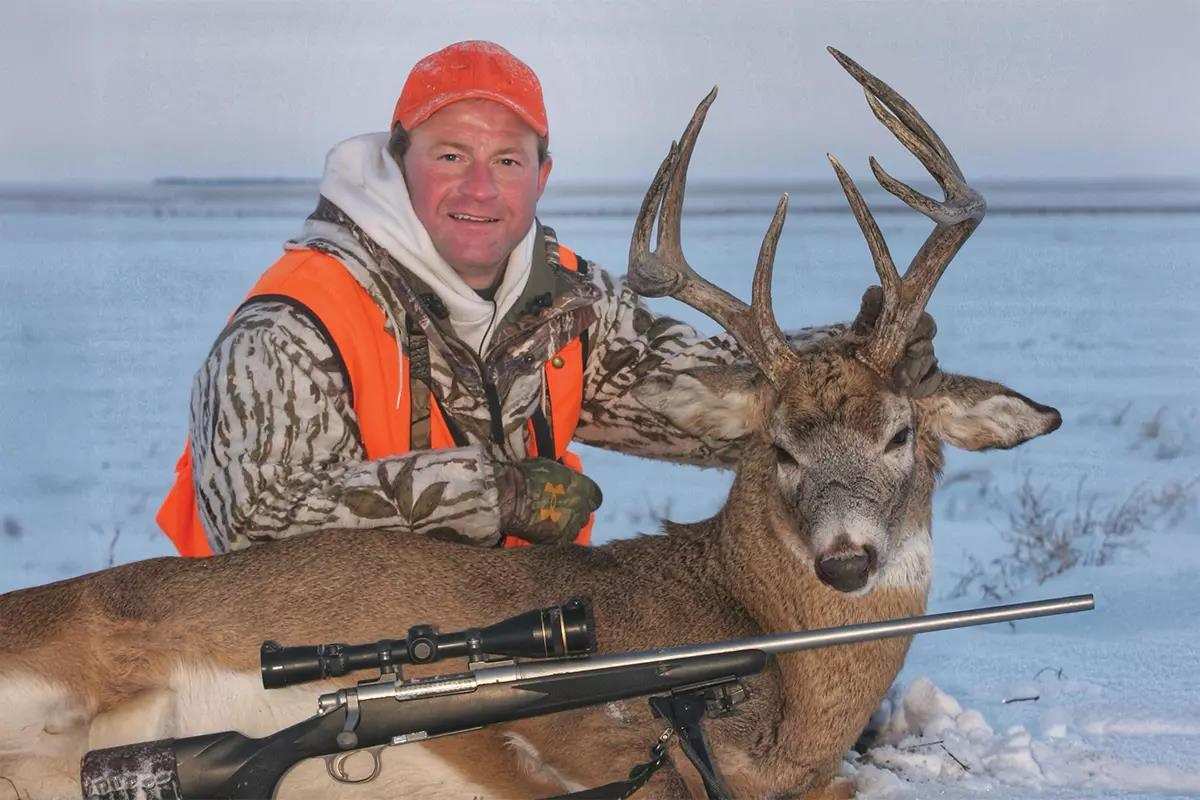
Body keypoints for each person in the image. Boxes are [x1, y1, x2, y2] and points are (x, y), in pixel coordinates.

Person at [157, 41, 939, 556]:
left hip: (489, 636)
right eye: (450, 154)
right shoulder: (296, 321)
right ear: (398, 164)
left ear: (542, 176)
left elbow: (706, 401)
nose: (478, 188)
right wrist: (493, 494)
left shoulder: (566, 304)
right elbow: (259, 517)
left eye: (506, 160)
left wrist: (850, 365)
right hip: (281, 656)